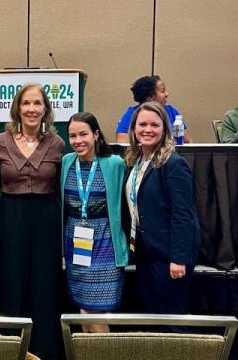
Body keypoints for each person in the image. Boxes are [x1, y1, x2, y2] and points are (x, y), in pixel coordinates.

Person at [0, 83, 64, 360]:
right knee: (11, 281)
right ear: (17, 108)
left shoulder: (57, 143)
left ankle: (44, 351)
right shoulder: (1, 141)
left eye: (37, 103)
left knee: (44, 284)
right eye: (26, 103)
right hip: (11, 216)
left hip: (46, 218)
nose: (32, 109)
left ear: (45, 109)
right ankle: (13, 348)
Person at [123, 101, 200, 317]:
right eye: (142, 124)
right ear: (134, 128)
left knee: (170, 319)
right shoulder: (136, 160)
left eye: (154, 125)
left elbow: (183, 215)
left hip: (169, 256)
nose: (148, 130)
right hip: (147, 252)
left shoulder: (173, 164)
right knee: (152, 315)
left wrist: (178, 258)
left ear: (164, 128)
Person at [61, 112, 128, 332]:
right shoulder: (67, 162)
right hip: (76, 241)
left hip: (104, 242)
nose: (77, 141)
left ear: (96, 134)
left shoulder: (114, 163)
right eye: (72, 136)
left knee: (95, 309)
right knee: (83, 307)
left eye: (83, 134)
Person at [115, 75, 191, 143]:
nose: (167, 94)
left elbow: (187, 141)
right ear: (149, 97)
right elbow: (123, 144)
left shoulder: (171, 111)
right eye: (162, 91)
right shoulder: (131, 114)